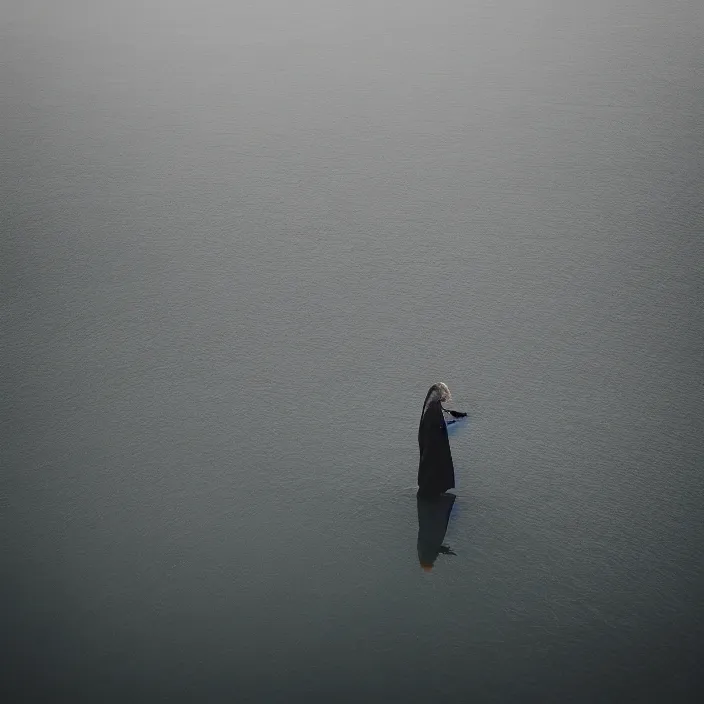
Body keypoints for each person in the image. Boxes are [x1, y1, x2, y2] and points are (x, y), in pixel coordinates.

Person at [417, 382, 466, 497]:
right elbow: (434, 426)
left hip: (433, 445)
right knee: (434, 467)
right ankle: (432, 490)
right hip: (434, 446)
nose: (445, 398)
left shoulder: (433, 406)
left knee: (432, 467)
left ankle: (431, 488)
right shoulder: (433, 410)